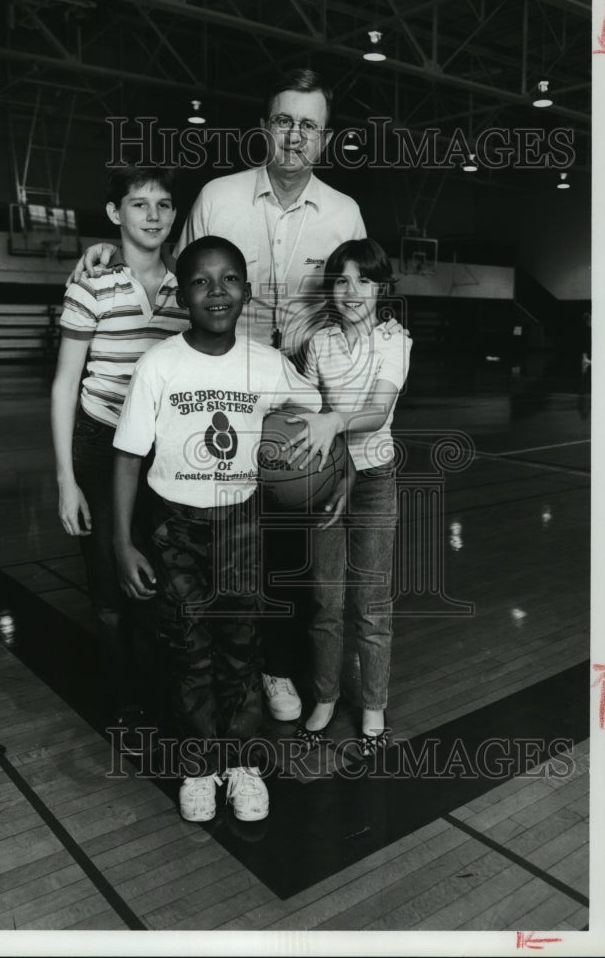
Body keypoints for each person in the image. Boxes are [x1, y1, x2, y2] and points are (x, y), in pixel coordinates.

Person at [70, 68, 371, 726]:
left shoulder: (345, 214)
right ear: (267, 127)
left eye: (310, 126)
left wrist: (340, 433)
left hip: (293, 396)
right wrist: (108, 252)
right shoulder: (217, 196)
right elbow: (171, 271)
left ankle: (274, 667)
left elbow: (356, 315)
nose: (295, 136)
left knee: (287, 547)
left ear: (324, 139)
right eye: (285, 121)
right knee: (214, 542)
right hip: (216, 384)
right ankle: (199, 669)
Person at [111, 235, 326, 822]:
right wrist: (122, 542)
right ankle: (201, 765)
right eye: (201, 282)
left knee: (240, 647)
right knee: (188, 651)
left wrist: (338, 474)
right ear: (182, 295)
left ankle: (242, 763)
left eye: (229, 279)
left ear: (247, 292)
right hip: (172, 525)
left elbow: (318, 418)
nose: (216, 291)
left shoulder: (267, 361)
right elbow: (129, 456)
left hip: (241, 524)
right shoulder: (158, 364)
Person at [50, 165, 188, 740]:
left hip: (159, 454)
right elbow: (65, 383)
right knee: (109, 581)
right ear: (115, 214)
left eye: (162, 205)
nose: (152, 215)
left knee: (155, 577)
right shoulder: (92, 284)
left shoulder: (188, 290)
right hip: (100, 443)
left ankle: (159, 690)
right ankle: (125, 698)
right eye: (138, 204)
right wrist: (65, 480)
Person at [286, 239, 412, 756]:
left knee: (372, 603)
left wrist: (335, 420)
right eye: (342, 279)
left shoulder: (394, 341)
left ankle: (374, 702)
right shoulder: (319, 344)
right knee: (325, 602)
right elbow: (304, 408)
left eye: (364, 279)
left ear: (382, 288)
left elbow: (377, 413)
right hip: (327, 483)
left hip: (374, 480)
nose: (352, 290)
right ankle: (324, 697)